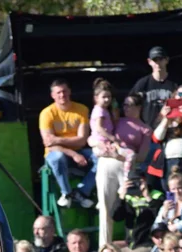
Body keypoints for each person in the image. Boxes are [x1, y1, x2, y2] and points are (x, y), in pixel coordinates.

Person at [39, 79, 97, 209]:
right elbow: (49, 144)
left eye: (64, 91)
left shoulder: (81, 109)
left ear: (70, 92)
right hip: (57, 153)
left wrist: (57, 139)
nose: (62, 95)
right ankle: (67, 193)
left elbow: (82, 140)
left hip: (80, 150)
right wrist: (72, 153)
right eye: (58, 92)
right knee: (58, 157)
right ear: (53, 95)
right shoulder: (46, 114)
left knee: (101, 157)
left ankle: (81, 192)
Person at [114, 169, 164, 252]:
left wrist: (147, 196)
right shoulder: (127, 197)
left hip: (147, 244)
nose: (135, 184)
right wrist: (121, 197)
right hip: (130, 244)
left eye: (138, 181)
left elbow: (160, 216)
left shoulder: (156, 195)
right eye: (132, 182)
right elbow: (116, 217)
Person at [89, 79, 133, 172]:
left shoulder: (105, 110)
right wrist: (112, 138)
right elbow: (99, 128)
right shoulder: (99, 111)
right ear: (96, 98)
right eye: (104, 97)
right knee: (121, 156)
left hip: (105, 142)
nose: (107, 99)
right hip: (100, 144)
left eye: (109, 97)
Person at [130, 45, 179, 127]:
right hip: (147, 130)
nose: (158, 63)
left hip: (171, 129)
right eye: (155, 60)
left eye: (161, 59)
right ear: (149, 62)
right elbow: (129, 102)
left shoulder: (176, 83)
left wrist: (181, 97)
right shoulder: (142, 84)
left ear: (167, 60)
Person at [152, 172, 182, 237]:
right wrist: (164, 214)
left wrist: (177, 226)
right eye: (173, 189)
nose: (177, 192)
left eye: (180, 188)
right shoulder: (168, 203)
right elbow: (157, 226)